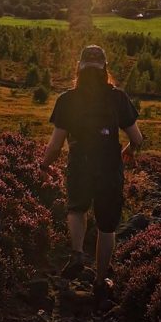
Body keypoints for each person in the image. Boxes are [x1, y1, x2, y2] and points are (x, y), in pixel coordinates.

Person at [41, 44, 143, 304]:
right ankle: (100, 282)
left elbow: (55, 145)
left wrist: (44, 165)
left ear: (79, 69)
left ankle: (76, 253)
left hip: (79, 163)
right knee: (107, 226)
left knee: (76, 209)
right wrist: (129, 150)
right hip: (109, 166)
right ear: (104, 69)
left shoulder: (67, 100)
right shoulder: (118, 98)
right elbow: (137, 138)